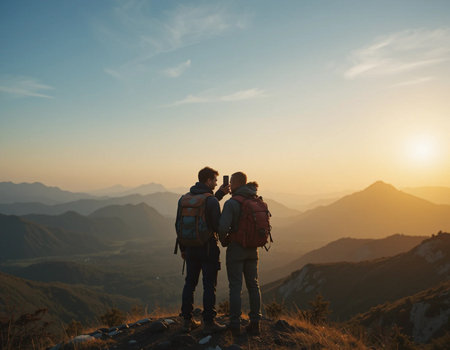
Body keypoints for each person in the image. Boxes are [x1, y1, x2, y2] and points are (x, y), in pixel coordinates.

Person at [175, 166, 230, 334]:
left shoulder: (184, 199)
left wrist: (184, 248)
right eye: (214, 180)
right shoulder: (211, 200)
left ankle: (186, 321)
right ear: (207, 180)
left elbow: (178, 225)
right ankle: (209, 322)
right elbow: (217, 225)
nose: (215, 184)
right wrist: (225, 240)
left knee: (190, 284)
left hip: (190, 248)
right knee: (209, 285)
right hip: (208, 249)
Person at [218, 172, 262, 336]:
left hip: (236, 248)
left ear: (234, 183)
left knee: (235, 287)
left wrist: (224, 241)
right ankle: (255, 323)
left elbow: (223, 228)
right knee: (253, 285)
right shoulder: (255, 199)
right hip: (253, 249)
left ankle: (235, 324)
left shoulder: (232, 203)